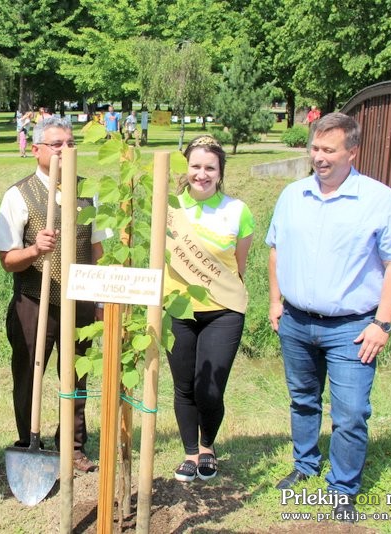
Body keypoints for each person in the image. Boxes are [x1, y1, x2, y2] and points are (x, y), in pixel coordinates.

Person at [267, 112, 391, 521]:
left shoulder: (381, 200)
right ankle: (305, 464)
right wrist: (275, 301)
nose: (319, 157)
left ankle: (343, 487)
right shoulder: (293, 195)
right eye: (315, 148)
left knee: (349, 411)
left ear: (353, 151)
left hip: (353, 328)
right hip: (296, 321)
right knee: (302, 399)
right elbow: (275, 249)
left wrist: (381, 324)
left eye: (329, 150)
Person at [0, 117, 109, 473]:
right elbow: (6, 260)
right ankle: (29, 442)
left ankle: (72, 445)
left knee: (76, 376)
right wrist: (34, 250)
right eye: (57, 144)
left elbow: (99, 249)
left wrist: (101, 301)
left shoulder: (89, 191)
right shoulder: (19, 194)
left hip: (82, 302)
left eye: (71, 143)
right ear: (38, 149)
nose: (65, 149)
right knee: (28, 373)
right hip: (33, 300)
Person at [163, 135, 254, 482]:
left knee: (210, 388)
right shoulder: (168, 207)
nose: (202, 174)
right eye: (196, 166)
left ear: (220, 172)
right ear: (186, 169)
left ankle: (207, 445)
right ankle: (190, 452)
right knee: (184, 386)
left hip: (224, 311)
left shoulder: (237, 211)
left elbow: (239, 267)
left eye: (210, 168)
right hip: (178, 310)